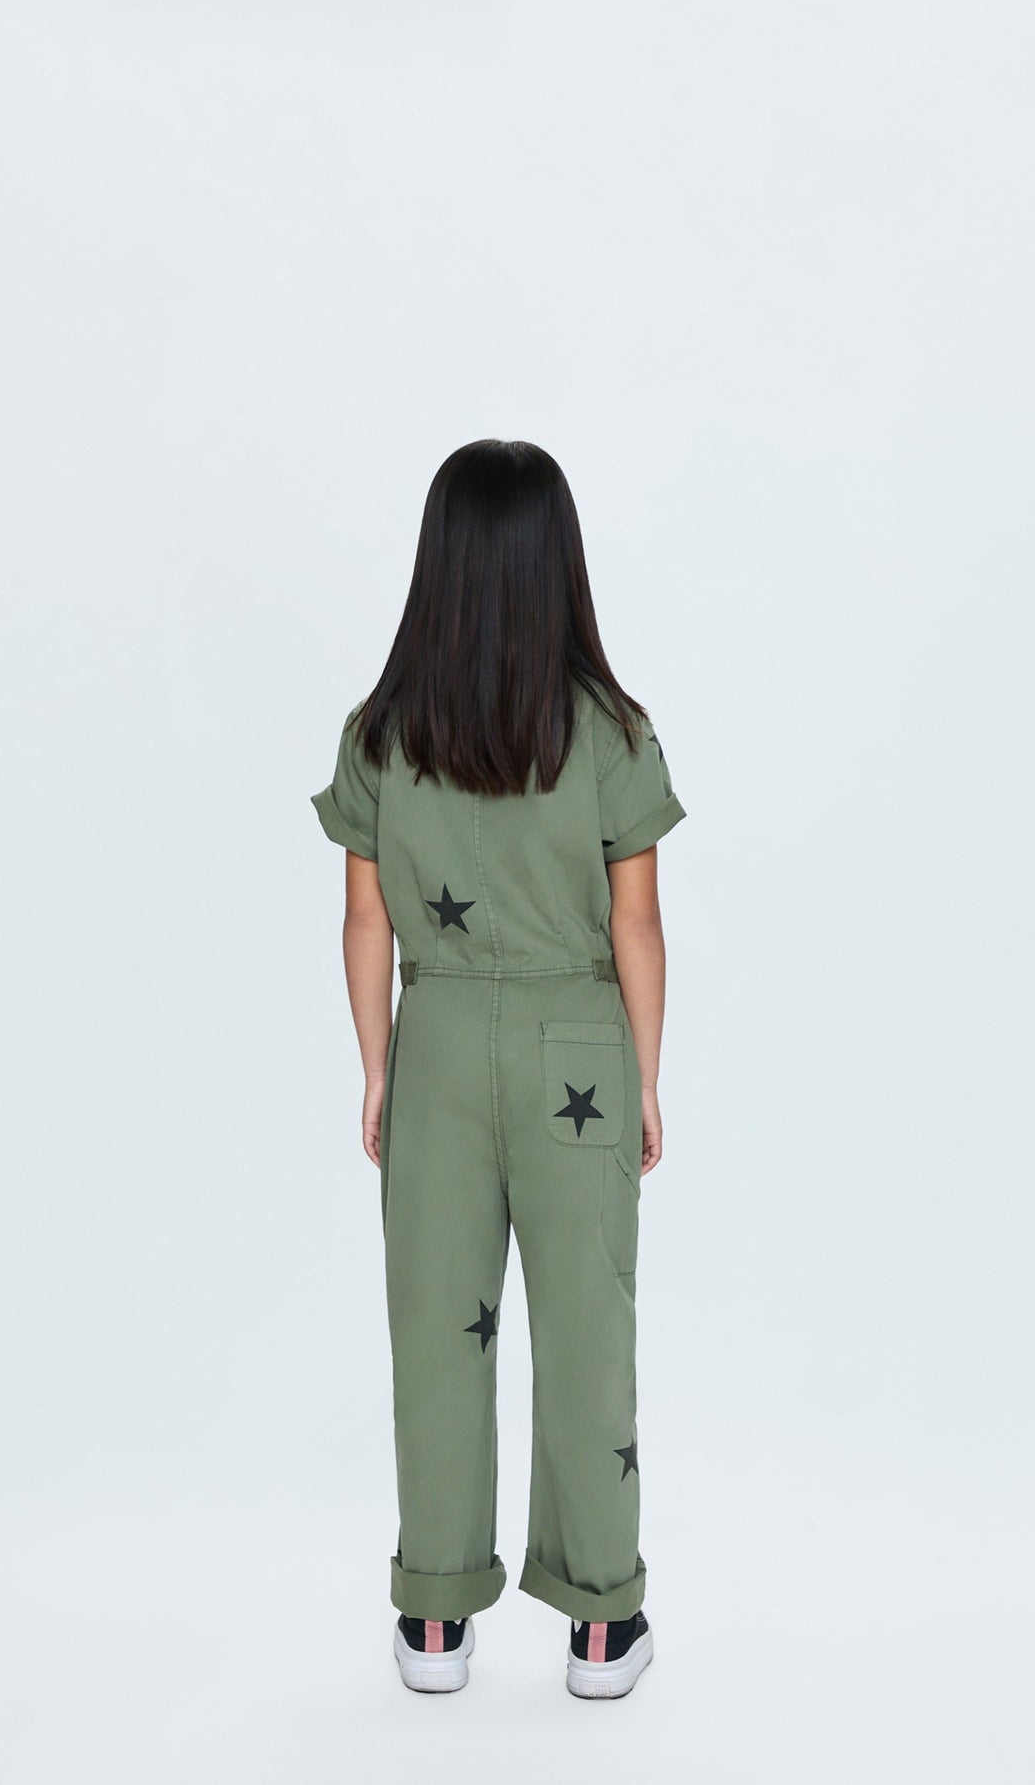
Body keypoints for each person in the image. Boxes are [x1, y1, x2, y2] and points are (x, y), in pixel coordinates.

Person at [310, 438, 685, 1700]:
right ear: (555, 563)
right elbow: (636, 922)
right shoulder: (613, 733)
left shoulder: (380, 731)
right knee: (587, 1330)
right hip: (578, 1040)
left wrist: (379, 1070)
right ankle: (599, 1626)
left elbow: (365, 919)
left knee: (435, 1330)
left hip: (438, 1045)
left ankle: (433, 1622)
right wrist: (642, 1077)